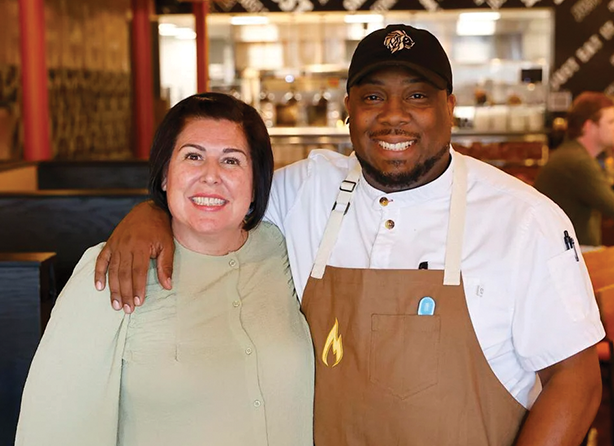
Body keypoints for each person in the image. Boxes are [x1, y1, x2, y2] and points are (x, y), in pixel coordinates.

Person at [94, 25, 603, 446]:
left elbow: (575, 381)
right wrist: (153, 211)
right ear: (348, 108)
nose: (393, 115)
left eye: (418, 96)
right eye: (374, 96)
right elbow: (216, 200)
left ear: (450, 108)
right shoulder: (308, 189)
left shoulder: (524, 219)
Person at [15, 93, 314, 446]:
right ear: (164, 176)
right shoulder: (115, 268)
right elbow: (52, 429)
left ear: (256, 185)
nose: (211, 176)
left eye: (231, 161)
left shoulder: (287, 250)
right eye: (193, 156)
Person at [535, 92, 614, 247]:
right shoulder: (578, 162)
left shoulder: (576, 154)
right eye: (611, 122)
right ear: (588, 126)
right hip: (572, 255)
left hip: (570, 251)